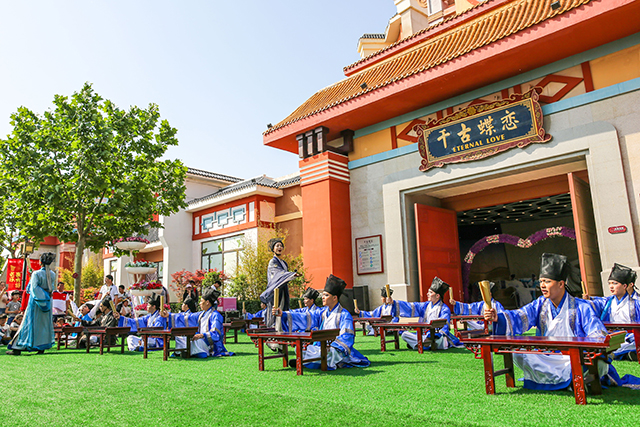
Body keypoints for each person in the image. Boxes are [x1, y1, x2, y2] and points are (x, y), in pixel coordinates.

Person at [484, 253, 640, 390]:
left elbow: (597, 331)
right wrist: (498, 317)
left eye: (547, 281)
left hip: (572, 356)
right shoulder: (539, 304)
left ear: (560, 283)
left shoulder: (581, 306)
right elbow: (520, 316)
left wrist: (596, 345)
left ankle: (568, 379)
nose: (542, 285)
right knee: (518, 354)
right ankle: (571, 381)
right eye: (541, 281)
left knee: (594, 361)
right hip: (547, 355)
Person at [273, 274, 370, 370]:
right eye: (323, 295)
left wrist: (332, 346)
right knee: (300, 348)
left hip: (336, 349)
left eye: (326, 295)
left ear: (334, 298)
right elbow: (306, 317)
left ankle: (308, 362)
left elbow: (347, 337)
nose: (323, 297)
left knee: (329, 353)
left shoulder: (344, 315)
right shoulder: (322, 312)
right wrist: (283, 314)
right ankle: (312, 361)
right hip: (321, 346)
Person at [586, 263, 640, 361]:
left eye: (614, 283)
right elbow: (594, 303)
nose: (611, 286)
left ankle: (620, 354)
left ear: (624, 286)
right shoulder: (606, 302)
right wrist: (587, 301)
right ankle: (625, 354)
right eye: (609, 283)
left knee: (635, 342)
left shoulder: (636, 304)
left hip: (629, 337)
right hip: (612, 337)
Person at [7, 252, 57, 355]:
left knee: (28, 323)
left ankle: (18, 347)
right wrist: (46, 297)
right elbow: (50, 288)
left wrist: (39, 295)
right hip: (48, 301)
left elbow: (34, 288)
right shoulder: (52, 274)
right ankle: (41, 347)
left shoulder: (36, 274)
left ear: (40, 262)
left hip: (35, 302)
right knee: (44, 325)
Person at [166, 287, 233, 358]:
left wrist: (202, 335)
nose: (200, 303)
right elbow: (187, 317)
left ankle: (190, 352)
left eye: (201, 301)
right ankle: (192, 351)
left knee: (195, 341)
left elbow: (216, 334)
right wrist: (169, 315)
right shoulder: (201, 314)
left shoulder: (216, 315)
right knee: (180, 338)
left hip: (210, 344)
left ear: (207, 302)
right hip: (200, 339)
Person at [398, 277, 461, 351]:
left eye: (430, 292)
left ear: (437, 296)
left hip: (437, 336)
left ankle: (421, 344)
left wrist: (432, 336)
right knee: (404, 335)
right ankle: (424, 344)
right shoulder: (425, 305)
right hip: (424, 334)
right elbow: (411, 306)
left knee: (439, 339)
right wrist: (394, 303)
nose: (427, 294)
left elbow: (444, 326)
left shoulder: (444, 309)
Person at [260, 238, 297, 330]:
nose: (279, 247)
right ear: (273, 249)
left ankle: (283, 331)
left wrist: (292, 275)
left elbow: (284, 276)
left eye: (281, 246)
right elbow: (279, 274)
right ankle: (273, 332)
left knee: (283, 311)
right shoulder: (272, 262)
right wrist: (291, 274)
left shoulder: (284, 263)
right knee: (274, 311)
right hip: (274, 291)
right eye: (277, 246)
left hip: (283, 290)